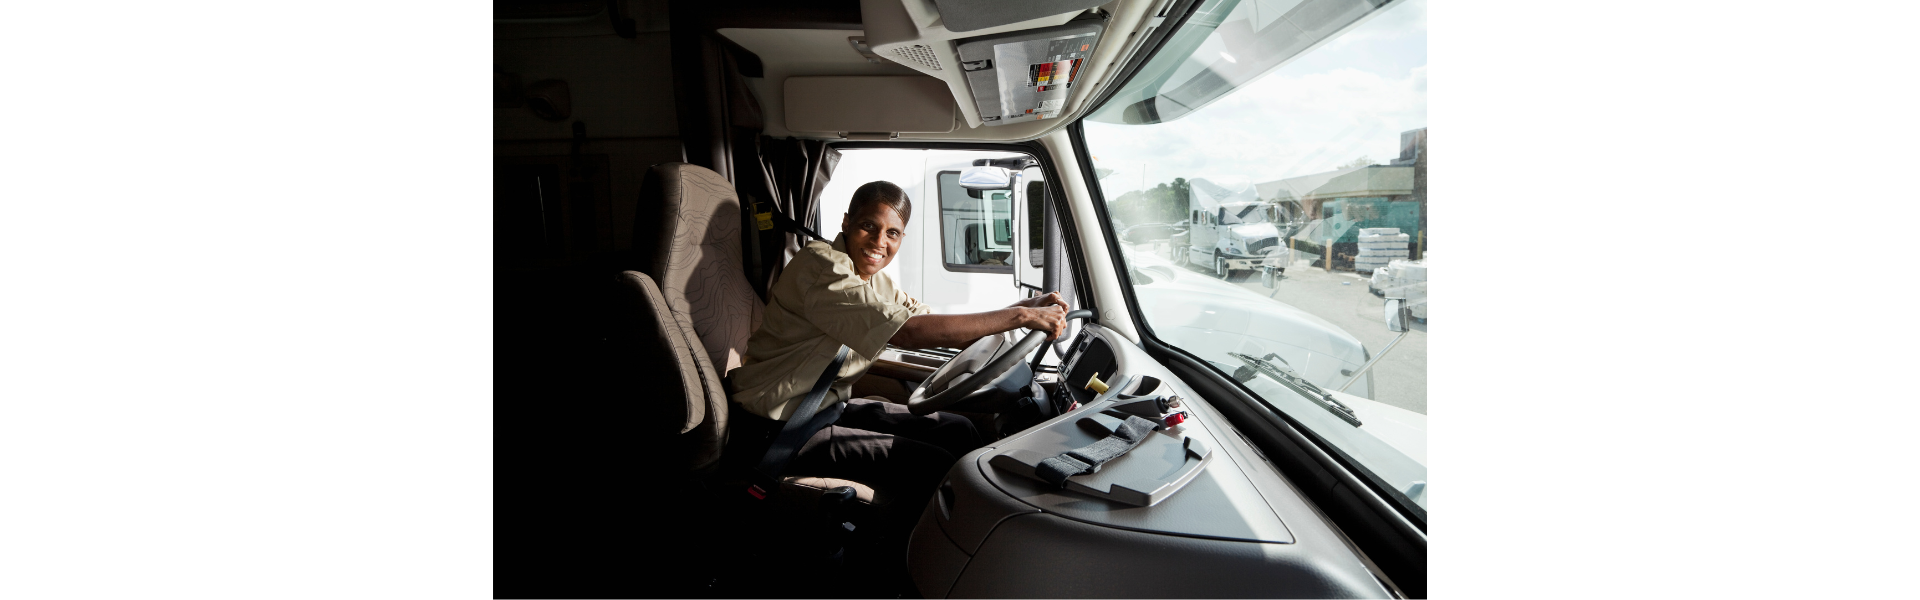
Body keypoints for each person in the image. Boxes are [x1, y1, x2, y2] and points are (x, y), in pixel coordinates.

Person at [724, 180, 1069, 559]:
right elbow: (907, 332)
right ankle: (910, 560)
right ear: (845, 222)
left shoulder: (873, 280)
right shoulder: (823, 268)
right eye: (867, 226)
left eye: (892, 233)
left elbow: (930, 321)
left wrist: (1021, 306)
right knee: (934, 463)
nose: (878, 242)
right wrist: (1020, 316)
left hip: (820, 409)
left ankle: (956, 546)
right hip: (776, 426)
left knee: (957, 428)